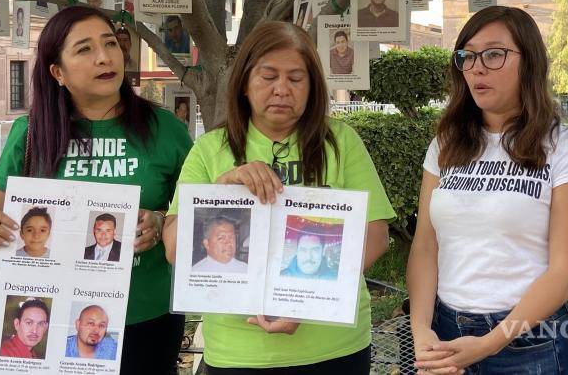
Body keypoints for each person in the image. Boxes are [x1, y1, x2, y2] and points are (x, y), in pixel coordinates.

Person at [162, 21, 395, 373]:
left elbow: (375, 237)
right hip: (237, 352)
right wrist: (224, 189)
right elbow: (175, 249)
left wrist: (306, 302)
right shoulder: (211, 149)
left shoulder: (342, 143)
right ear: (244, 83)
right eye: (268, 77)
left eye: (295, 79)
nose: (282, 89)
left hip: (334, 348)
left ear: (313, 86)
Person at [0, 6, 193, 374]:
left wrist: (160, 221)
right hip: (49, 315)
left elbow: (196, 214)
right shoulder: (30, 133)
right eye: (84, 49)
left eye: (110, 43)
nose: (104, 57)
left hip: (145, 315)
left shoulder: (167, 130)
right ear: (57, 72)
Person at [407, 6, 568, 374]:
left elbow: (565, 274)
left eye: (494, 54)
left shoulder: (563, 150)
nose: (477, 67)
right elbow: (425, 246)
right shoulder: (446, 144)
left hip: (528, 342)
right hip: (444, 335)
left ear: (529, 62)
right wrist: (421, 331)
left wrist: (490, 343)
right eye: (467, 56)